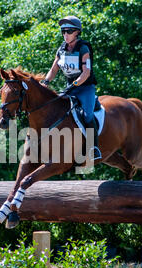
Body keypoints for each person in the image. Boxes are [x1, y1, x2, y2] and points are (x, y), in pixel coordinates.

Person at [41, 15, 102, 160]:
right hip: (71, 87)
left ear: (77, 32)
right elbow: (54, 69)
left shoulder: (84, 48)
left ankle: (94, 147)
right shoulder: (61, 49)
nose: (65, 35)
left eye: (69, 31)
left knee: (87, 115)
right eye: (63, 32)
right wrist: (45, 82)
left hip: (85, 88)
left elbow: (86, 73)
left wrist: (74, 84)